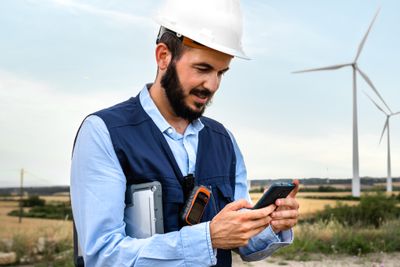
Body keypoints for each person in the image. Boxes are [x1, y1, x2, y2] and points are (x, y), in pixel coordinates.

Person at [70, 0, 300, 266]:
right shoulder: (104, 133)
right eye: (202, 69)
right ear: (163, 56)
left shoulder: (223, 141)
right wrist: (208, 238)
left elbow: (245, 246)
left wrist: (271, 224)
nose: (212, 85)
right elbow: (101, 255)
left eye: (221, 73)